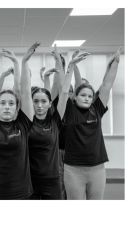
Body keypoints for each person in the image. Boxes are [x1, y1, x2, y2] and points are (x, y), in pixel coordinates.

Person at [0, 41, 40, 200]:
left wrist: (23, 62)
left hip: (19, 190)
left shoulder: (23, 124)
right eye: (2, 103)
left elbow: (24, 92)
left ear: (17, 108)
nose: (6, 107)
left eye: (11, 103)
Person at [63, 47, 123, 200]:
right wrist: (71, 66)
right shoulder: (69, 110)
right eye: (83, 95)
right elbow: (63, 90)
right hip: (73, 169)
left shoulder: (96, 109)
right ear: (75, 97)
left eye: (90, 96)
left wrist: (114, 63)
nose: (87, 98)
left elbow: (107, 85)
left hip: (97, 169)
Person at [28, 45, 86, 200]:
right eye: (35, 102)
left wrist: (71, 66)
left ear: (49, 104)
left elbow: (63, 89)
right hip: (30, 177)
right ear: (30, 103)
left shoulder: (54, 120)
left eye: (44, 102)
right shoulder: (26, 121)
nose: (40, 105)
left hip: (51, 175)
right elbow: (46, 91)